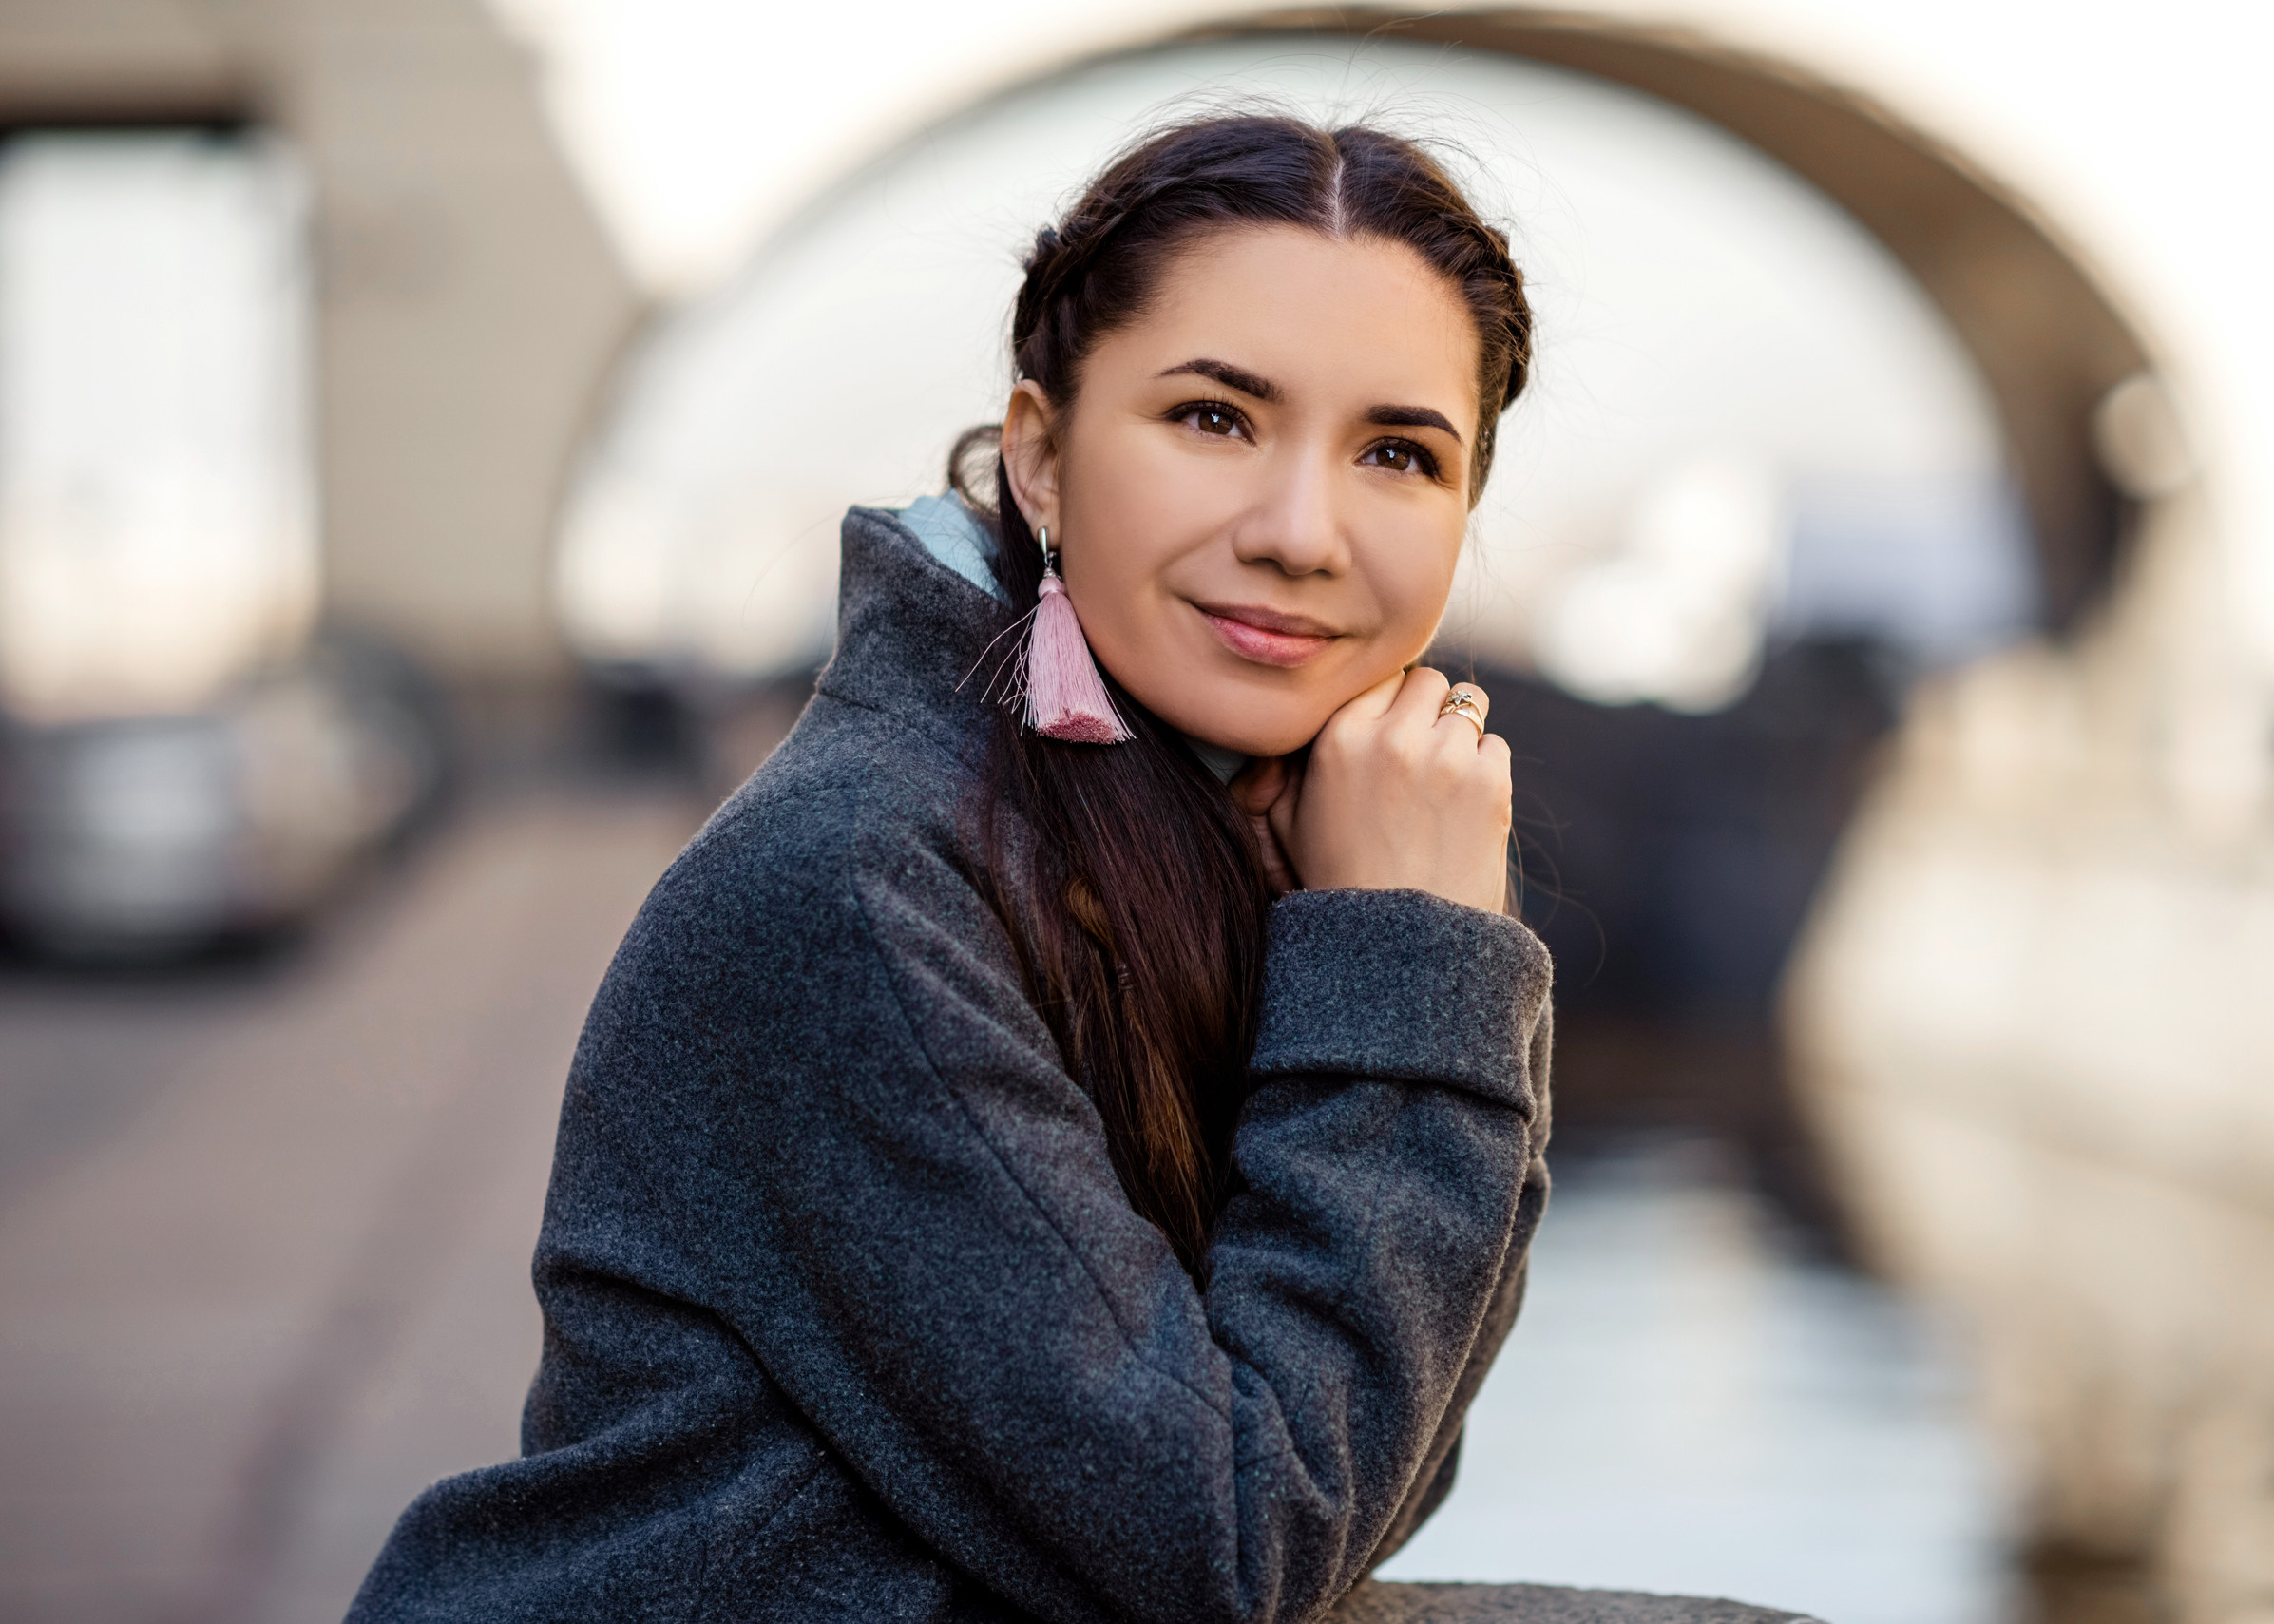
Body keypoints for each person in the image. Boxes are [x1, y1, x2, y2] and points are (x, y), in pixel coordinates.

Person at [349, 115, 1821, 1624]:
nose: (1302, 531)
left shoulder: (1215, 825)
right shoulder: (862, 880)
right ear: (1043, 458)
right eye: (1212, 419)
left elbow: (1383, 1460)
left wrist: (1409, 943)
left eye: (1396, 453)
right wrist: (1412, 958)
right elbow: (1230, 1548)